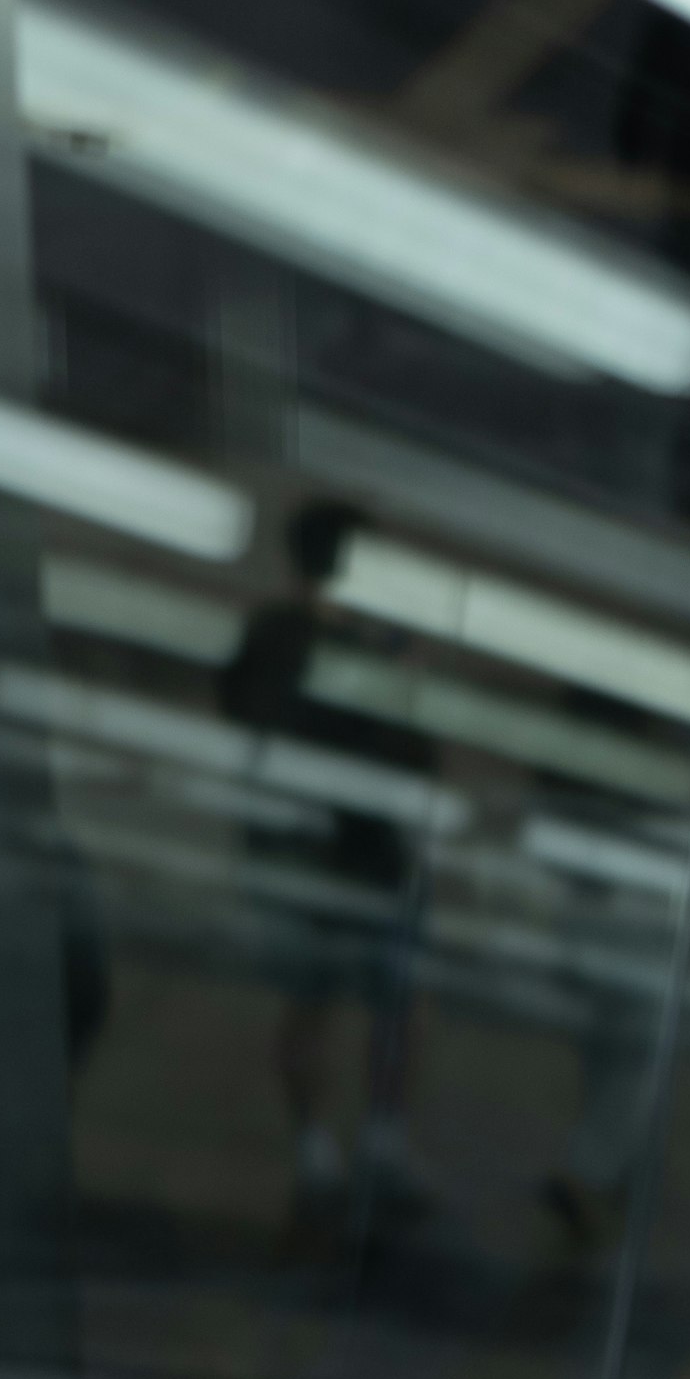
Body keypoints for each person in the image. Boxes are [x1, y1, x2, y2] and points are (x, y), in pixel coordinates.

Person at [219, 501, 440, 1231]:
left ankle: (353, 1143)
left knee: (367, 1005)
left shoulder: (286, 636)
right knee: (349, 1003)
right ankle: (347, 1144)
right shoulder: (297, 641)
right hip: (329, 851)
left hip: (342, 851)